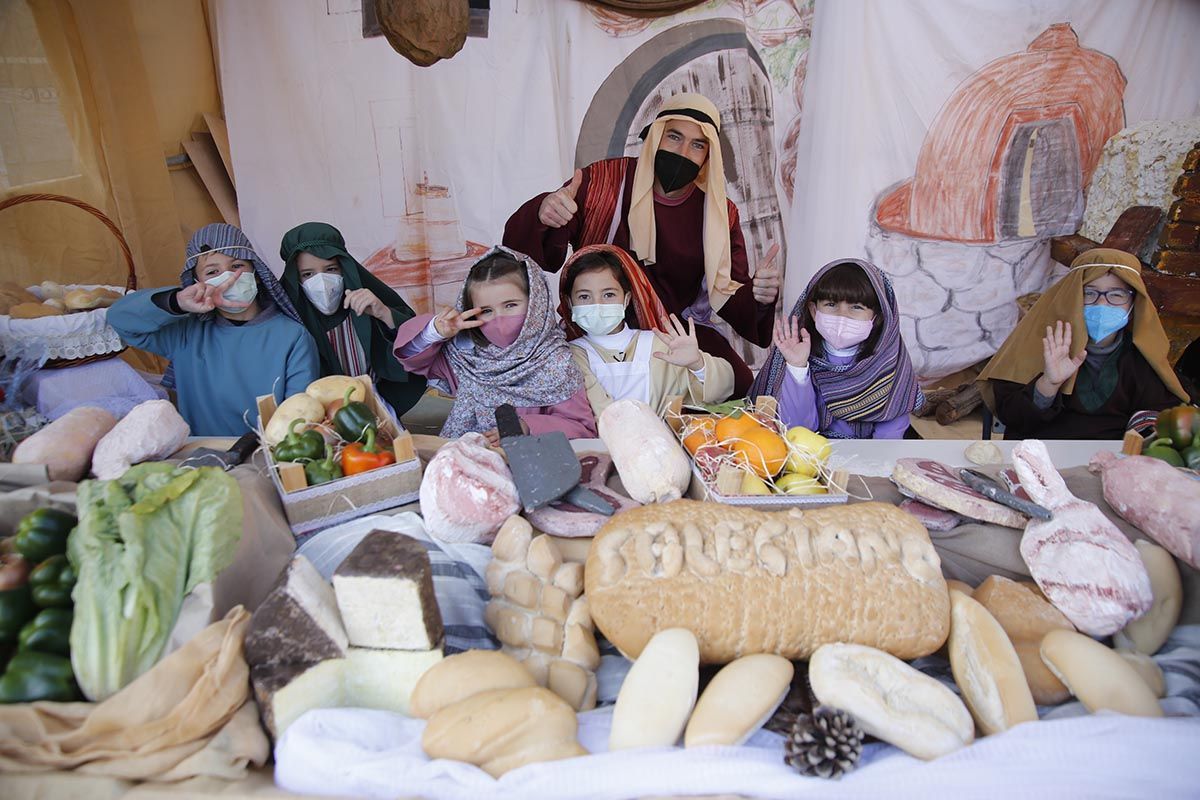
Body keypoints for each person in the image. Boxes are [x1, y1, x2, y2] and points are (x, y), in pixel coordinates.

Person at [503, 92, 779, 395]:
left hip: (671, 330)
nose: (683, 152)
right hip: (597, 322)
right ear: (655, 135)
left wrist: (759, 296)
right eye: (674, 137)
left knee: (741, 385)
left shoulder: (718, 213)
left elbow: (729, 293)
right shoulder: (603, 181)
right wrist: (544, 213)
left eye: (697, 145)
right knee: (549, 385)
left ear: (707, 157)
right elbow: (534, 254)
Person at [107, 223, 319, 435]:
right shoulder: (186, 334)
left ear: (255, 272)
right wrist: (178, 301)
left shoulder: (292, 336)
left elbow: (298, 415)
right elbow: (119, 318)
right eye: (212, 272)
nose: (228, 278)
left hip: (269, 450)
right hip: (202, 451)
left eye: (236, 266)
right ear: (197, 282)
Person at [978, 248, 1190, 439]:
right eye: (1089, 293)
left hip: (1112, 460)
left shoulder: (1141, 357)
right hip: (1039, 452)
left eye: (1117, 295)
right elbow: (1013, 418)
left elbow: (1163, 415)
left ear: (1134, 303)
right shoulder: (1041, 344)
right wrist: (1048, 384)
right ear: (1072, 298)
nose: (1102, 303)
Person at [394, 246, 595, 442]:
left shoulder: (556, 362)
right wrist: (435, 332)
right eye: (486, 311)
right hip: (463, 457)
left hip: (528, 459)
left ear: (536, 303)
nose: (499, 319)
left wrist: (526, 426)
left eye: (510, 305)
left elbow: (581, 427)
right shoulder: (466, 355)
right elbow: (413, 360)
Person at [750, 259, 923, 438]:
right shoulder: (799, 352)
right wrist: (797, 367)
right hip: (810, 451)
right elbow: (796, 429)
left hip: (868, 453)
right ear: (814, 310)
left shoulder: (890, 360)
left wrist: (871, 457)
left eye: (856, 307)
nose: (842, 315)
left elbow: (890, 434)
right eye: (831, 305)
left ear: (877, 316)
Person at [559, 244, 734, 418]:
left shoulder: (659, 345)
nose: (597, 304)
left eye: (609, 295)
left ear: (627, 298)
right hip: (600, 438)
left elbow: (720, 392)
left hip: (663, 436)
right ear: (569, 303)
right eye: (584, 296)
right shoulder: (568, 356)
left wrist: (697, 364)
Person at [279, 222, 426, 419]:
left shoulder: (367, 301)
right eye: (308, 274)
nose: (322, 282)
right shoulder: (288, 320)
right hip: (318, 420)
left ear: (345, 268)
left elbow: (420, 344)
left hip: (377, 411)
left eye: (331, 269)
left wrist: (384, 313)